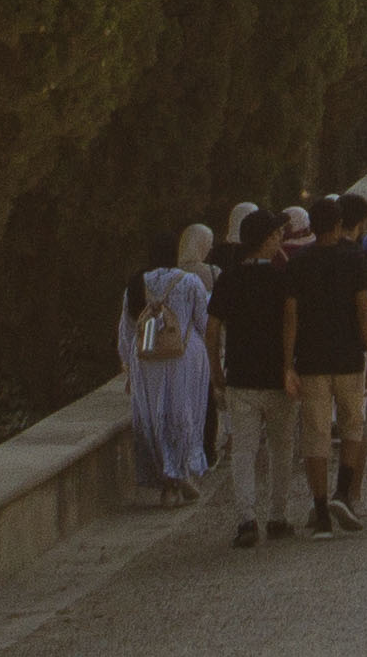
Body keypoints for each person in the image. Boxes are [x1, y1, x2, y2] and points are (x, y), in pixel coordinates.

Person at [285, 201, 367, 536]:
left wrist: (287, 364)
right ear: (338, 225)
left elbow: (291, 316)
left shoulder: (299, 263)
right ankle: (343, 492)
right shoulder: (354, 258)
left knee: (316, 435)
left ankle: (321, 510)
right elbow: (363, 310)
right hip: (349, 355)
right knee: (353, 425)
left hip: (310, 360)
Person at [216, 204, 299, 547]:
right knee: (282, 448)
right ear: (266, 240)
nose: (281, 238)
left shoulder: (229, 277)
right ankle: (278, 516)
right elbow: (291, 323)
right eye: (277, 234)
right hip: (277, 376)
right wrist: (289, 366)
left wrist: (213, 370)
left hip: (240, 375)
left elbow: (211, 327)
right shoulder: (283, 278)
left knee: (244, 451)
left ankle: (246, 520)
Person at [124, 223, 218, 505]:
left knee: (153, 418)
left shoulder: (137, 282)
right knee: (183, 414)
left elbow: (128, 328)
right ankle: (181, 473)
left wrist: (128, 366)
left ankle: (168, 484)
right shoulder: (189, 282)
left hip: (147, 357)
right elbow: (203, 322)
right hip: (183, 357)